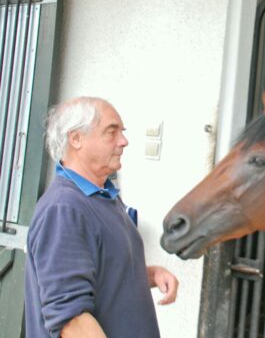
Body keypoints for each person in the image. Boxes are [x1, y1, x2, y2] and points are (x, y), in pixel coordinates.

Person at [24, 97, 178, 337]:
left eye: (122, 132)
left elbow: (100, 273)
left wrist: (149, 274)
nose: (124, 141)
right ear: (76, 139)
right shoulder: (64, 209)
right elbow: (72, 321)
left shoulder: (101, 196)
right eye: (111, 132)